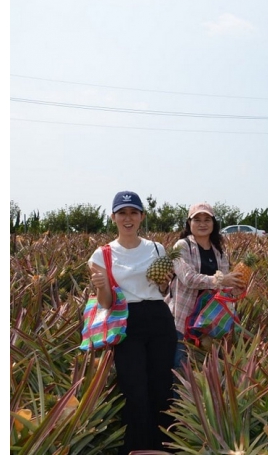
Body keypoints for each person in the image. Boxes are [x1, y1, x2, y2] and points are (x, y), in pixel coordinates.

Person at [88, 191, 178, 454]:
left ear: (142, 216)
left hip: (159, 319)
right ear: (113, 217)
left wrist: (164, 281)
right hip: (125, 321)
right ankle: (138, 448)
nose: (128, 218)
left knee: (161, 386)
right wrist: (102, 286)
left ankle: (165, 447)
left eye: (133, 213)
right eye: (122, 213)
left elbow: (162, 290)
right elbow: (104, 303)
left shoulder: (156, 248)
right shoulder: (101, 255)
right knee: (134, 389)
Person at [166, 202, 245, 367]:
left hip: (211, 318)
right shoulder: (182, 246)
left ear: (213, 223)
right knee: (181, 366)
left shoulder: (219, 251)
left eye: (207, 219)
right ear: (189, 223)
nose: (202, 224)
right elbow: (188, 278)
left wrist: (236, 286)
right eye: (197, 219)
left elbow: (224, 286)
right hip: (183, 316)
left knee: (205, 367)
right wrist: (221, 280)